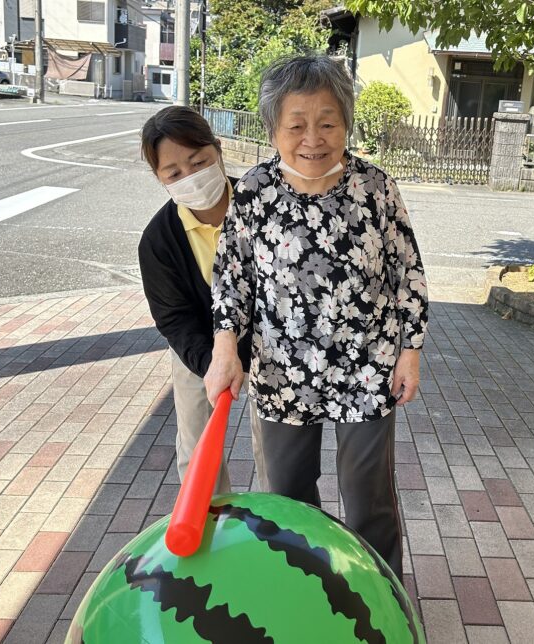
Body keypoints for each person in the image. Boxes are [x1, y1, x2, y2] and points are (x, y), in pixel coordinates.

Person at [204, 55, 429, 579]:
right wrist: (223, 350)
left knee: (368, 499)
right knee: (287, 499)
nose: (313, 138)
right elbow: (232, 279)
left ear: (346, 123)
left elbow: (408, 273)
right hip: (282, 369)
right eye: (296, 124)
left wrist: (409, 353)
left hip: (366, 364)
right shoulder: (255, 192)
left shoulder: (376, 188)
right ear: (273, 129)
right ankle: (299, 595)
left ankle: (382, 598)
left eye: (327, 122)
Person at [138, 106, 264, 496]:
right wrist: (215, 364)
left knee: (277, 447)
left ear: (219, 148)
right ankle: (211, 531)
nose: (190, 177)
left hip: (271, 345)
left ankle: (279, 532)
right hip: (199, 348)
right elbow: (174, 318)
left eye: (199, 161)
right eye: (174, 173)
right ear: (160, 179)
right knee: (196, 449)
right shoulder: (159, 240)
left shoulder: (264, 206)